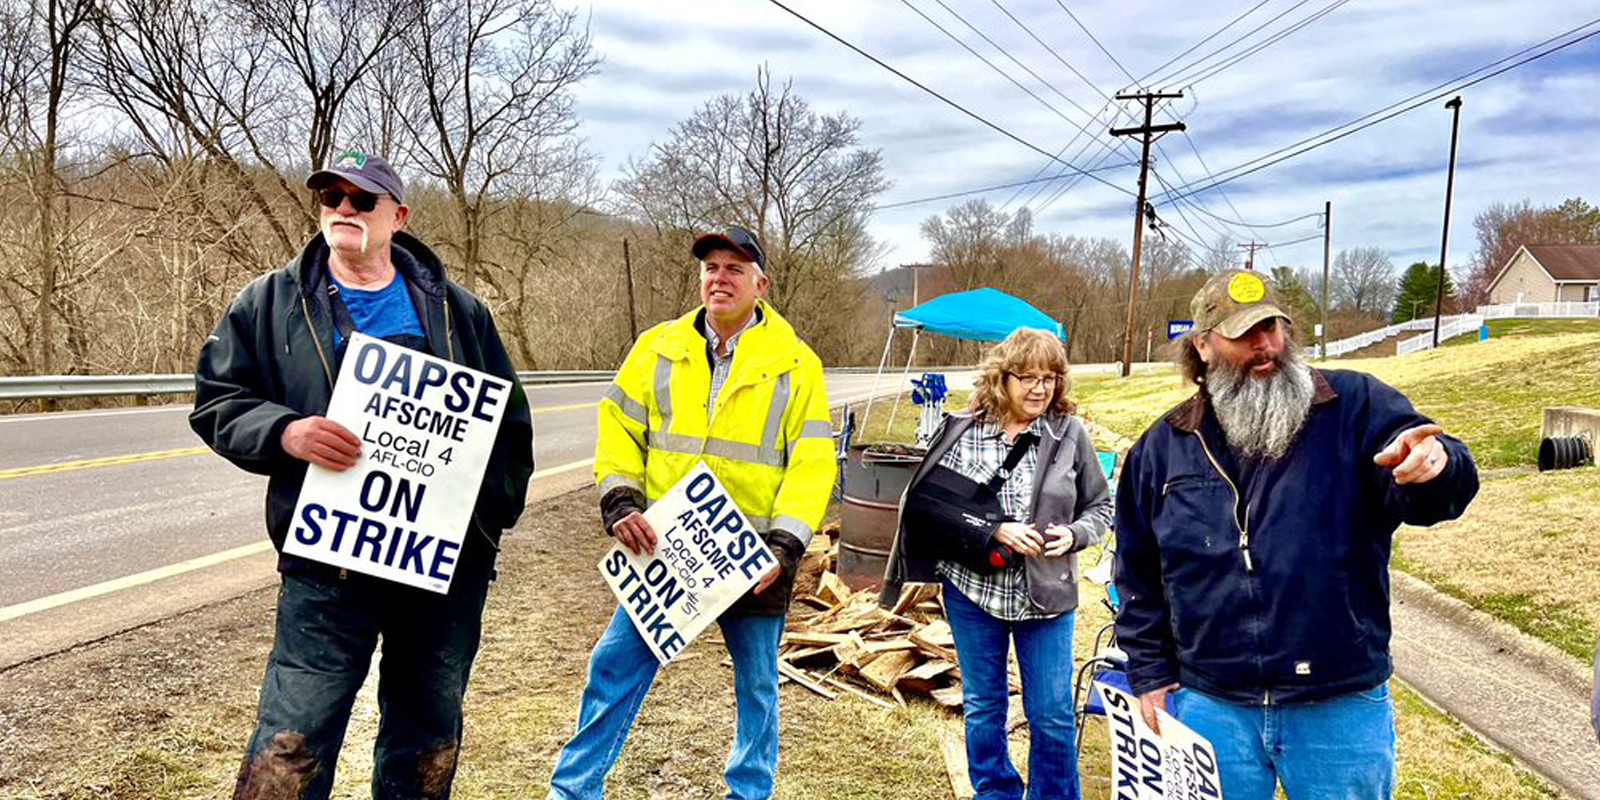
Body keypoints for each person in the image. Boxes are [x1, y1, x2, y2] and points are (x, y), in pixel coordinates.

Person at [190, 149, 534, 798]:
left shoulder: (461, 313)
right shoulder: (269, 302)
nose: (343, 209)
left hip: (440, 572)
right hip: (327, 571)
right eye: (331, 198)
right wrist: (285, 433)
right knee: (291, 740)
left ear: (397, 216)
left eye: (362, 199)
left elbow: (510, 430)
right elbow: (217, 400)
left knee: (425, 739)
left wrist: (483, 523)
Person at [1113, 269, 1480, 800]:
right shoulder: (1164, 446)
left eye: (1273, 328)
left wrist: (1436, 465)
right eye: (1244, 335)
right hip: (1213, 702)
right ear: (1203, 346)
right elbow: (1138, 569)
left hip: (1337, 701)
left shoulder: (1353, 406)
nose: (1265, 346)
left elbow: (1432, 479)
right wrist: (1148, 672)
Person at [546, 225, 836, 800]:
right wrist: (620, 502)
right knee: (613, 668)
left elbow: (812, 463)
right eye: (711, 267)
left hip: (755, 560)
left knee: (756, 686)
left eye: (733, 268)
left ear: (761, 283)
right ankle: (573, 791)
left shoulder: (797, 365)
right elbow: (621, 429)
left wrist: (784, 547)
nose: (719, 277)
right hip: (669, 549)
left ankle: (748, 792)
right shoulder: (657, 347)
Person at [881, 327, 1112, 800]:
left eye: (1049, 377)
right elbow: (928, 507)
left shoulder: (1069, 433)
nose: (1039, 388)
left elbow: (1101, 508)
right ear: (1000, 379)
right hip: (972, 592)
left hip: (1045, 596)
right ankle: (996, 792)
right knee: (985, 706)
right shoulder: (964, 431)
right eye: (1026, 376)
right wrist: (992, 531)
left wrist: (1073, 534)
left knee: (1049, 712)